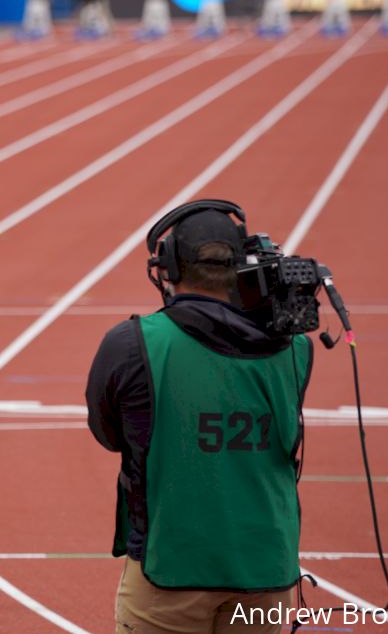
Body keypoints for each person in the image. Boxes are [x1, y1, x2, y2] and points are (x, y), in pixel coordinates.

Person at [86, 200, 312, 634]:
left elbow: (109, 433)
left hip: (170, 566)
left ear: (169, 266)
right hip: (266, 566)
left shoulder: (133, 343)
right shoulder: (296, 347)